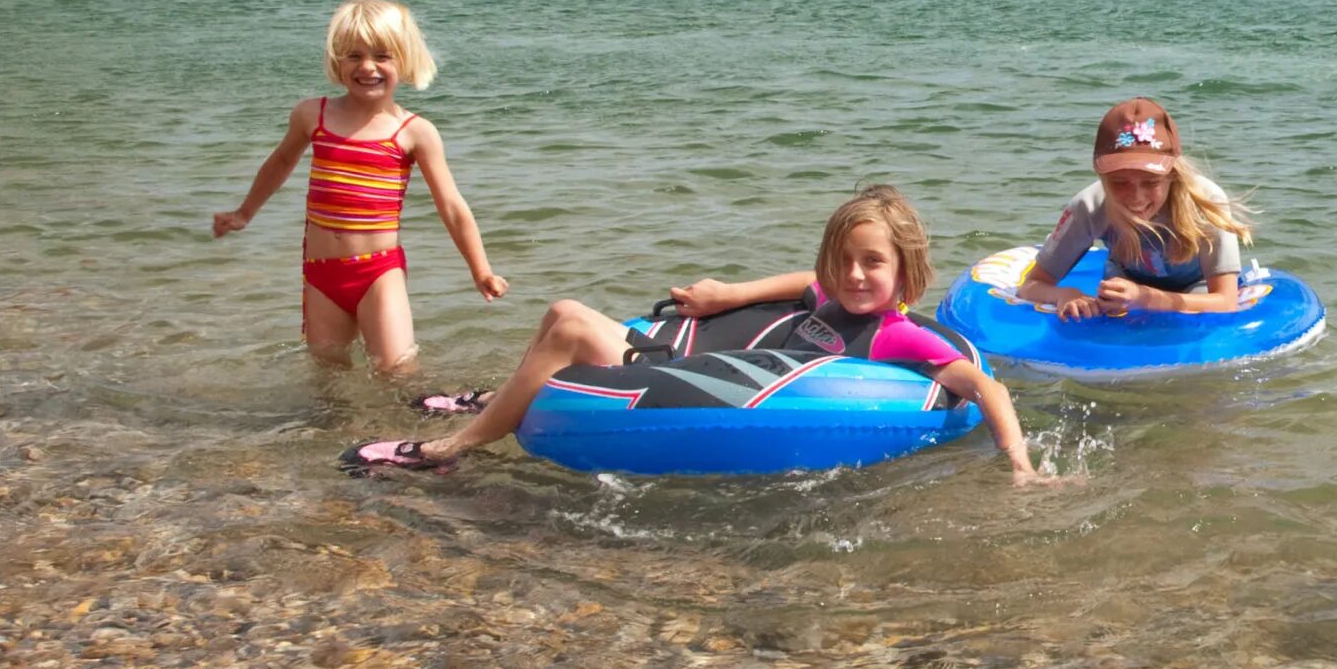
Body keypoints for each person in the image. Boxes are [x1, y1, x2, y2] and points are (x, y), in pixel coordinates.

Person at [343, 186, 1056, 485]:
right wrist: (728, 293)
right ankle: (499, 398)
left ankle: (458, 445)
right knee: (562, 321)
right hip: (681, 361)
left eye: (874, 262)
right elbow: (794, 285)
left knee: (564, 317)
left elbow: (982, 384)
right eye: (844, 260)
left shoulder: (898, 337)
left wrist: (1018, 465)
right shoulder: (829, 292)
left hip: (704, 395)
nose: (855, 274)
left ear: (905, 272)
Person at [213, 0, 506, 371]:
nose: (367, 67)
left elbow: (450, 205)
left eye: (382, 56)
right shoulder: (312, 115)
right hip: (322, 272)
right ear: (337, 61)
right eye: (354, 56)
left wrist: (480, 269)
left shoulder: (414, 132)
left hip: (378, 272)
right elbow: (281, 162)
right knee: (328, 371)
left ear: (405, 61)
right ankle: (335, 430)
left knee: (395, 368)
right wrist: (243, 213)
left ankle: (411, 424)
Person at [1016, 98, 1253, 319]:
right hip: (1124, 281)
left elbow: (1225, 301)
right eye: (1119, 183)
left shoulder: (1206, 203)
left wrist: (1145, 298)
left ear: (1173, 175)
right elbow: (1030, 286)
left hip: (1196, 288)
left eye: (1151, 182)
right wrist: (1065, 295)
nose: (1135, 197)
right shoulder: (1089, 206)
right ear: (1102, 177)